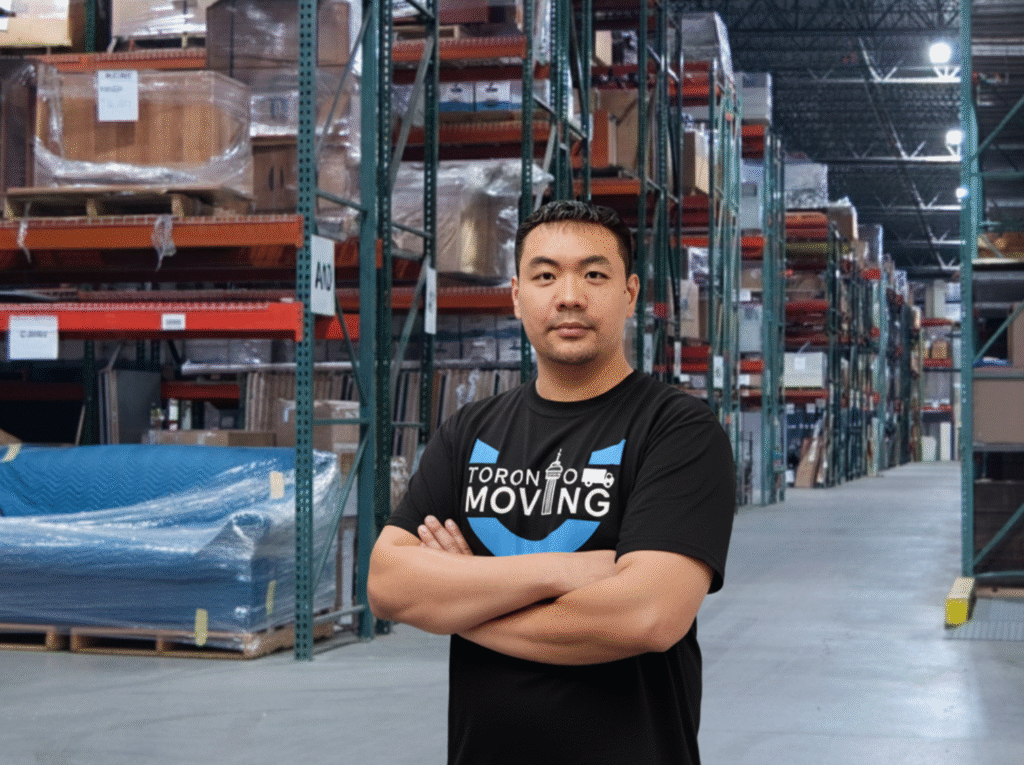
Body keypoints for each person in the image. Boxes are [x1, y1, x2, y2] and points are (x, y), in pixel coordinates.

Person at [367, 200, 735, 765]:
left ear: (629, 294)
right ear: (517, 296)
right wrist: (565, 570)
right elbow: (388, 583)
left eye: (594, 275)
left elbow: (647, 616)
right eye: (545, 276)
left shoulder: (678, 430)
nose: (569, 296)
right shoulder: (470, 432)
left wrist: (462, 604)